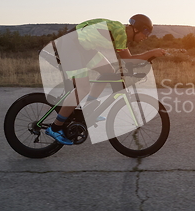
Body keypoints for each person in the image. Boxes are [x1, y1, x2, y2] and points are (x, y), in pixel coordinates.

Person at [46, 14, 166, 145]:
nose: (146, 36)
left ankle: (89, 108)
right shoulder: (121, 32)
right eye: (146, 32)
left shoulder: (121, 33)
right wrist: (152, 53)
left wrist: (148, 57)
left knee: (108, 71)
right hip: (71, 46)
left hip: (83, 48)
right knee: (83, 88)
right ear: (136, 28)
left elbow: (129, 60)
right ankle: (55, 128)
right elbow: (128, 60)